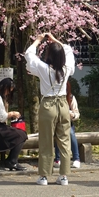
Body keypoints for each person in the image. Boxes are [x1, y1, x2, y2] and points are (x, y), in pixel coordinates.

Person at [25, 32, 75, 187]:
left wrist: (38, 40)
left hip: (48, 105)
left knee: (46, 141)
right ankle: (64, 176)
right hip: (63, 105)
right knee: (64, 141)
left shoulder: (43, 68)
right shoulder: (67, 68)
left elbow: (28, 54)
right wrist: (56, 41)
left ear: (49, 55)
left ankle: (44, 176)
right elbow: (68, 49)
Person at [54, 81, 81, 169]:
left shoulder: (71, 98)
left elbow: (76, 113)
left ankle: (76, 159)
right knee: (57, 134)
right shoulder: (53, 97)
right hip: (55, 123)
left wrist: (72, 115)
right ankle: (58, 159)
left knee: (71, 134)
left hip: (68, 123)